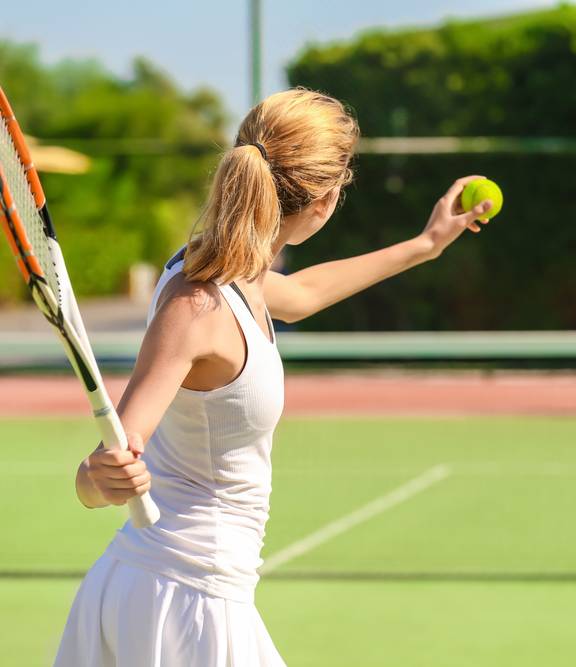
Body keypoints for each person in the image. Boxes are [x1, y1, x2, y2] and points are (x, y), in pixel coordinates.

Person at [54, 88, 494, 666]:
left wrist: (426, 245)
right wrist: (98, 476)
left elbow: (304, 293)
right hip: (183, 602)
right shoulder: (198, 304)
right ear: (325, 200)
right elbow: (98, 475)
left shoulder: (229, 274)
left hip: (184, 590)